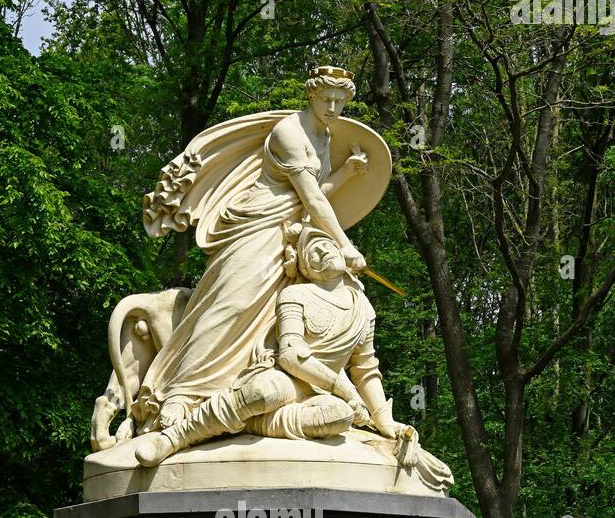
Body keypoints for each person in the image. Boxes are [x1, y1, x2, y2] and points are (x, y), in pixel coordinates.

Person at [130, 66, 370, 433]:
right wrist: (345, 245)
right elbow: (312, 201)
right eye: (327, 99)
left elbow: (312, 198)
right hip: (255, 229)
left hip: (285, 234)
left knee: (262, 320)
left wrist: (348, 173)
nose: (334, 107)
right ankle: (180, 397)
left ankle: (242, 393)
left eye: (341, 101)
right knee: (230, 307)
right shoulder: (290, 133)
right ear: (312, 96)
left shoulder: (322, 135)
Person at [134, 226, 411, 465]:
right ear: (305, 267)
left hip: (320, 395)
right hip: (287, 379)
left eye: (328, 245)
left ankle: (254, 422)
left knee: (340, 417)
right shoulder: (295, 294)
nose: (324, 251)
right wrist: (345, 389)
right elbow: (291, 355)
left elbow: (366, 369)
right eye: (314, 251)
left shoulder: (364, 309)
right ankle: (175, 437)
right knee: (263, 391)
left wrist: (384, 421)